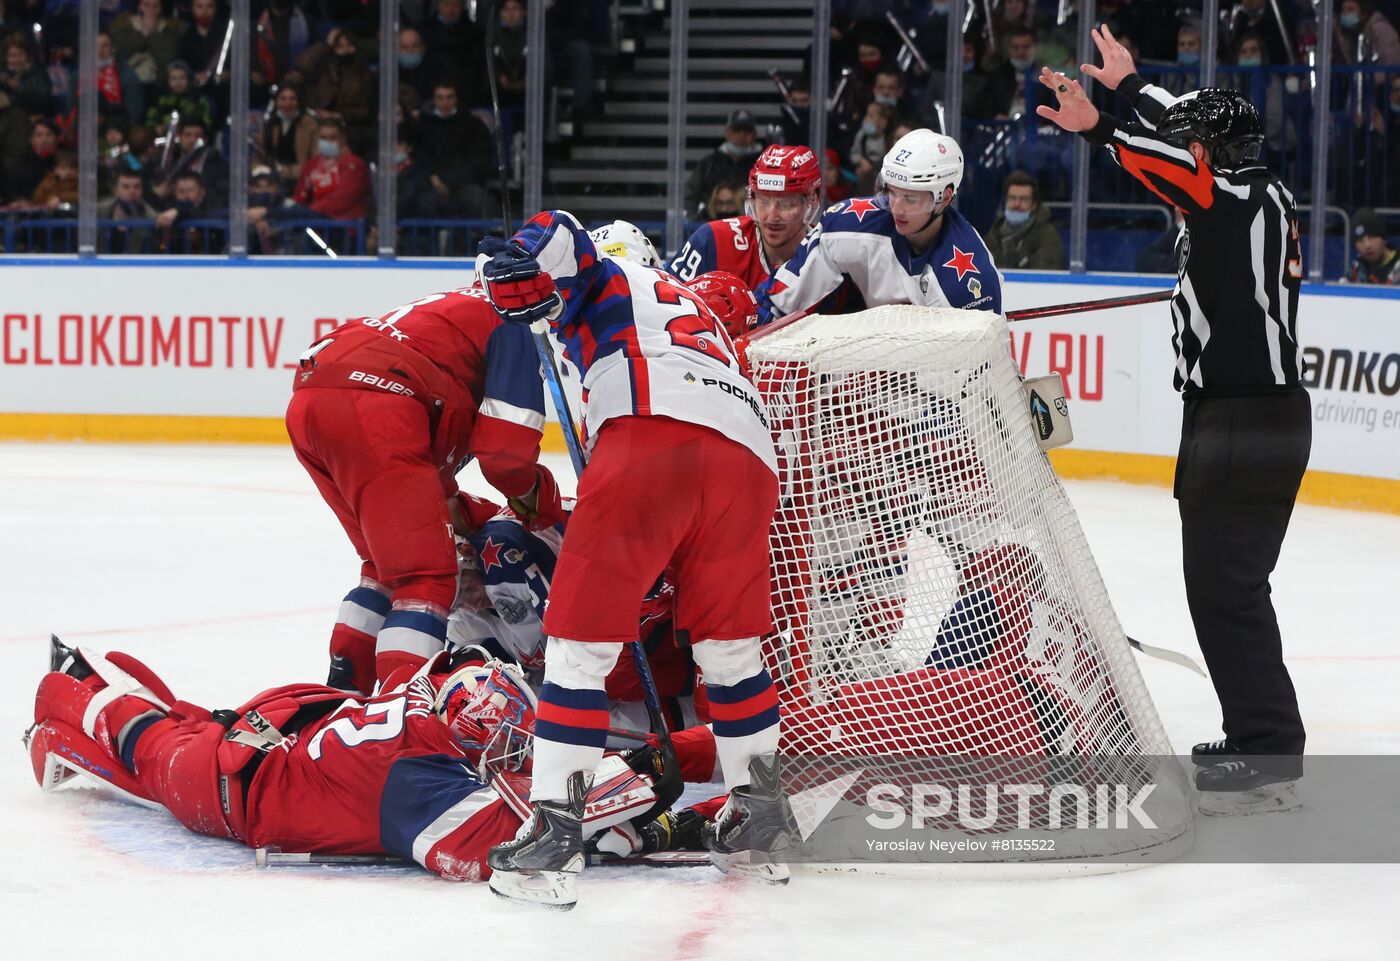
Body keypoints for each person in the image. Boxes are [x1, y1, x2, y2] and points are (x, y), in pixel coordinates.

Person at [475, 210, 788, 906]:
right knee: (733, 655)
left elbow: (558, 232)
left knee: (578, 651)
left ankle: (552, 838)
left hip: (651, 431)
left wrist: (518, 258)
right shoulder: (693, 302)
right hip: (748, 460)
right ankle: (760, 826)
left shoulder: (609, 275)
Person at [1036, 25, 1310, 814]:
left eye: (1193, 143)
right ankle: (1262, 733)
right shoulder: (1256, 190)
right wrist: (1131, 84)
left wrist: (1101, 125)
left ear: (1212, 151)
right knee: (1229, 588)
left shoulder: (1224, 197)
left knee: (1225, 590)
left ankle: (1267, 744)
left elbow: (1162, 158)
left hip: (1240, 422)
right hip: (1257, 418)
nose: (1182, 150)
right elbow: (1180, 141)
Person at [26, 638, 682, 888]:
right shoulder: (417, 778)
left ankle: (88, 687)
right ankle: (65, 692)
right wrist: (636, 783)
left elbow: (457, 664)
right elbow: (483, 851)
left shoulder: (428, 710)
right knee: (144, 738)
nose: (516, 755)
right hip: (227, 789)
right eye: (507, 742)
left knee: (179, 725)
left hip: (271, 738)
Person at [285, 281, 549, 694]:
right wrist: (537, 500)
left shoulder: (465, 305)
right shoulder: (517, 317)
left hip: (316, 394)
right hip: (381, 403)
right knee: (424, 577)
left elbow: (437, 499)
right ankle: (402, 723)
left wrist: (479, 513)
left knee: (384, 568)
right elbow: (506, 454)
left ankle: (341, 701)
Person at [756, 128, 1003, 323]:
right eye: (891, 193)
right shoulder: (848, 223)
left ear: (945, 197)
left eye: (911, 198)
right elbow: (777, 303)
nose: (896, 207)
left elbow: (976, 375)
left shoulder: (969, 282)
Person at [668, 143, 822, 288]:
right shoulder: (713, 241)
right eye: (763, 200)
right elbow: (665, 303)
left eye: (786, 203)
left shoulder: (829, 256)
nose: (771, 216)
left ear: (811, 201)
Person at [684, 109, 764, 218]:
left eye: (747, 130)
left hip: (750, 226)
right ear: (727, 133)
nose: (742, 134)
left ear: (754, 134)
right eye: (737, 130)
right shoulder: (709, 164)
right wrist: (695, 221)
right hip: (712, 224)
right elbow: (690, 195)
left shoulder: (764, 164)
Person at [985, 170, 1066, 270]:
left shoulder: (1047, 234)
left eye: (1023, 199)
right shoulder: (994, 232)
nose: (1017, 204)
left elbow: (1042, 273)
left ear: (1034, 205)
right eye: (1012, 198)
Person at [1346, 208, 1400, 283]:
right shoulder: (1356, 269)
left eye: (1372, 237)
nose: (1367, 245)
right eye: (1360, 241)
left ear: (1384, 239)